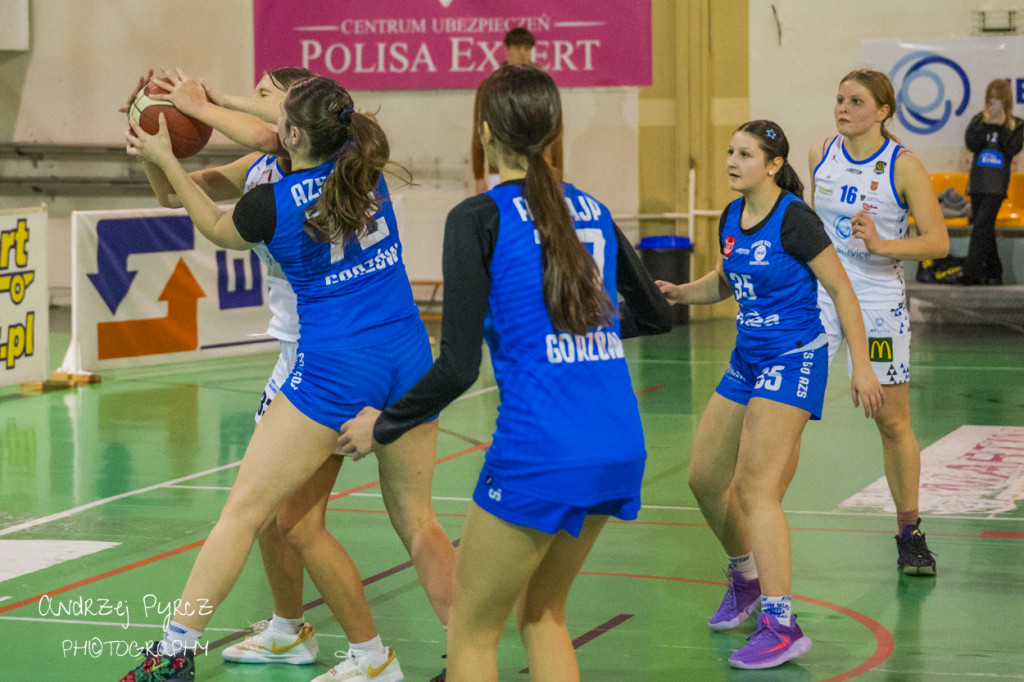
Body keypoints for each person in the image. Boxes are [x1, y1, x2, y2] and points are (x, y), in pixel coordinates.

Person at [337, 63, 672, 682]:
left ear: (485, 129)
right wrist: (576, 327)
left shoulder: (479, 217)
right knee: (543, 613)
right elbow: (655, 314)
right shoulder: (591, 209)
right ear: (553, 131)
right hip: (618, 444)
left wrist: (383, 426)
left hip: (540, 449)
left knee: (473, 631)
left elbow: (459, 367)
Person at [120, 75, 438, 682]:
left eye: (266, 92)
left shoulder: (278, 194)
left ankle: (176, 650)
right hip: (397, 348)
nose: (250, 94)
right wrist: (162, 146)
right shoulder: (356, 157)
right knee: (292, 520)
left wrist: (196, 113)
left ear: (291, 125)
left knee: (257, 513)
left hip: (322, 360)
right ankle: (311, 636)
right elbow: (182, 192)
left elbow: (214, 225)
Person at [658, 120, 884, 669]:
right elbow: (726, 281)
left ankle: (783, 625)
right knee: (704, 477)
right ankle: (746, 581)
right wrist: (677, 294)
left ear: (774, 164)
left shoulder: (795, 220)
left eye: (745, 154)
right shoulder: (731, 217)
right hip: (747, 357)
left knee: (754, 490)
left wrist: (863, 365)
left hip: (794, 356)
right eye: (729, 152)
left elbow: (841, 289)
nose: (732, 161)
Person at [810, 69, 949, 575]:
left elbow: (937, 243)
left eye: (856, 101)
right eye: (840, 98)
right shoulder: (821, 151)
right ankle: (758, 519)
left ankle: (909, 532)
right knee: (786, 406)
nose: (843, 107)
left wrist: (883, 244)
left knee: (891, 421)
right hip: (823, 296)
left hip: (876, 301)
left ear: (883, 110)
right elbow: (809, 227)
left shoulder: (904, 166)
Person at [471, 27, 563, 194]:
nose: (522, 52)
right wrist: (478, 175)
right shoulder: (489, 86)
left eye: (527, 48)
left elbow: (555, 131)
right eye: (517, 47)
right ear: (507, 49)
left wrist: (558, 173)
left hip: (539, 168)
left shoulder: (544, 85)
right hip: (498, 171)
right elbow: (479, 129)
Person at [962, 78, 1023, 285]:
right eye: (991, 99)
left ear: (1006, 101)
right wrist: (986, 124)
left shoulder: (1017, 125)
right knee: (985, 228)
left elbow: (1012, 149)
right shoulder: (979, 120)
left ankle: (970, 273)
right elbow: (971, 143)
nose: (994, 103)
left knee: (981, 226)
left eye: (998, 100)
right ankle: (995, 272)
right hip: (978, 183)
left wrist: (1002, 125)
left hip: (996, 185)